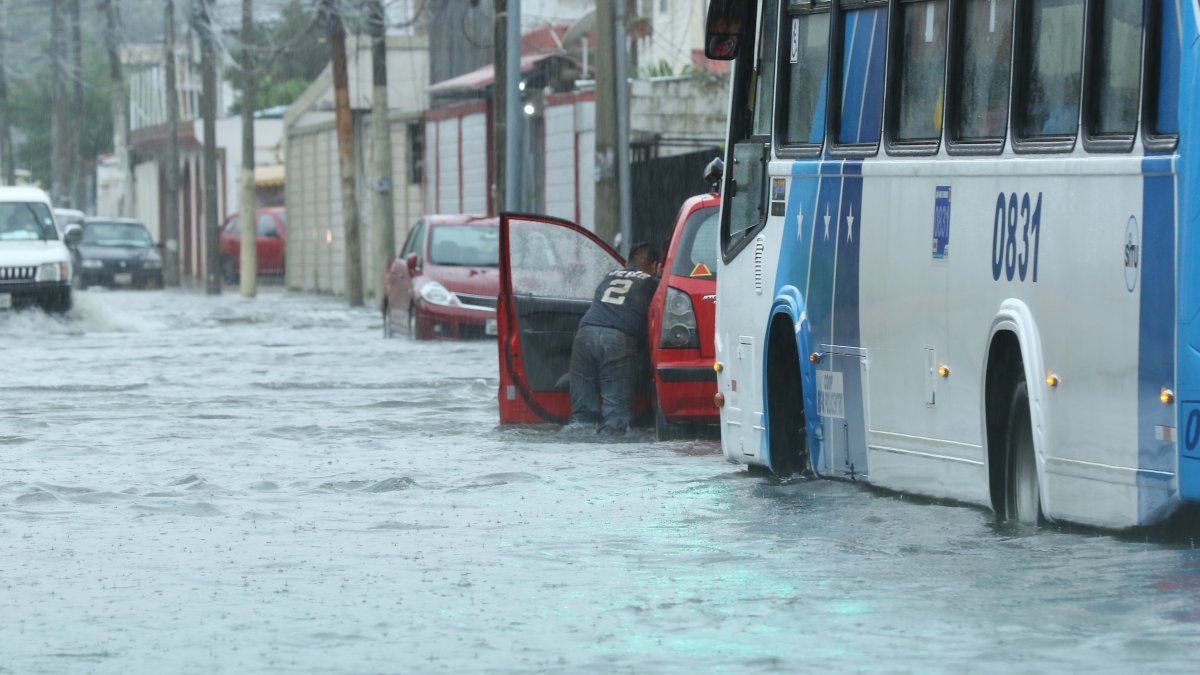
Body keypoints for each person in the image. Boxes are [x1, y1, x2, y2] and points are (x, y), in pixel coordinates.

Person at [568, 243, 662, 435]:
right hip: (618, 339)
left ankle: (577, 446)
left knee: (582, 415)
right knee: (615, 414)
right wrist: (659, 277)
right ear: (654, 265)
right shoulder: (653, 283)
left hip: (585, 334)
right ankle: (610, 453)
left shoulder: (609, 275)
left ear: (628, 262)